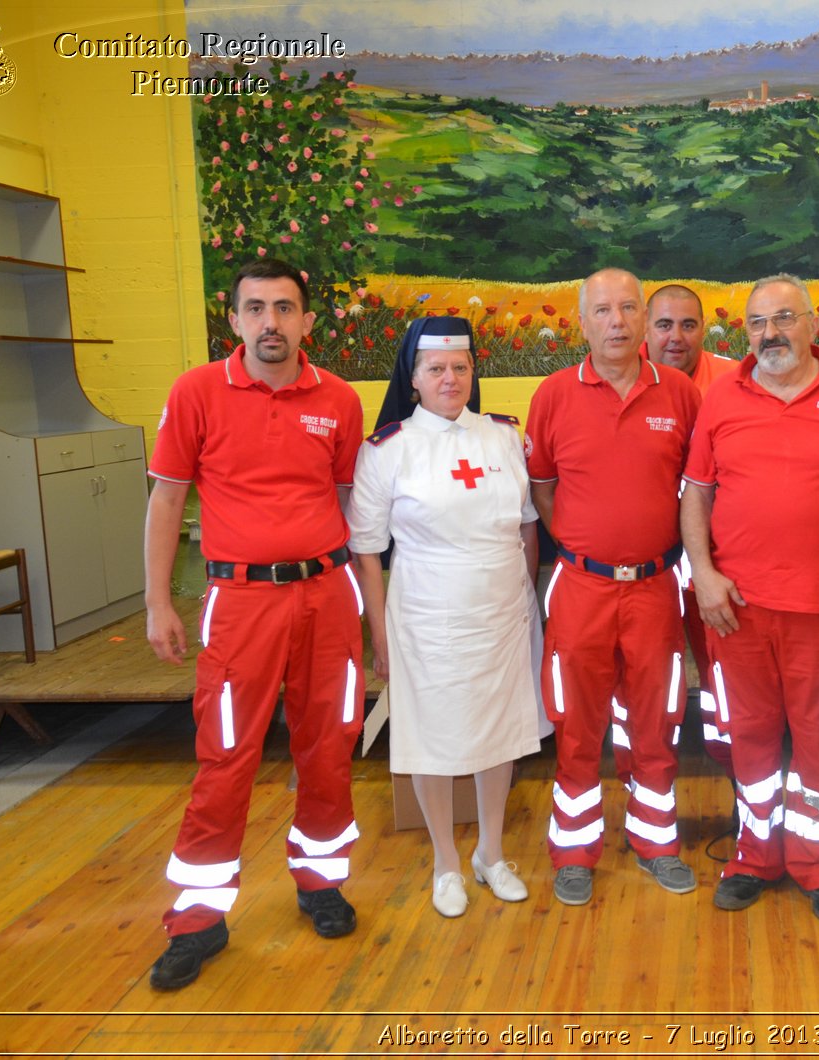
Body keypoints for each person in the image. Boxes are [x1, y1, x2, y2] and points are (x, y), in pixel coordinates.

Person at [143, 259, 365, 990]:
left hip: (327, 597)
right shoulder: (197, 392)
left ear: (307, 320)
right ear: (234, 318)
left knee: (329, 744)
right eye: (256, 308)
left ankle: (320, 881)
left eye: (286, 308)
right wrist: (156, 602)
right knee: (227, 754)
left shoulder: (338, 399)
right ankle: (199, 918)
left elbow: (346, 503)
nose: (271, 321)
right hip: (239, 605)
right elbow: (166, 502)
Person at [680, 273, 819, 925]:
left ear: (813, 324)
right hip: (735, 608)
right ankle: (754, 857)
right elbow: (695, 494)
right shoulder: (721, 398)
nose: (771, 333)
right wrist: (705, 575)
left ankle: (818, 865)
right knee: (750, 739)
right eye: (757, 323)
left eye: (784, 319)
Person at [347, 317, 541, 918]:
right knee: (431, 735)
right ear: (413, 377)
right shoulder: (388, 451)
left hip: (504, 610)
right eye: (435, 368)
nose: (449, 379)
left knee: (501, 731)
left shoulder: (505, 438)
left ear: (473, 372)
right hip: (425, 614)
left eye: (460, 367)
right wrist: (379, 634)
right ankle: (446, 863)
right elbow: (366, 551)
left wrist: (526, 598)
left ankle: (490, 851)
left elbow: (528, 524)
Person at [525, 268, 702, 906]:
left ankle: (656, 843)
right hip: (581, 589)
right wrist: (583, 544)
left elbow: (698, 490)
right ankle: (574, 853)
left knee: (655, 723)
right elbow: (541, 487)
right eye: (603, 311)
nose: (618, 322)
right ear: (582, 322)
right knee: (576, 725)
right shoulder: (552, 395)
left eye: (629, 308)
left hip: (657, 588)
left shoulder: (680, 393)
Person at [642, 283, 737, 779]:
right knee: (646, 678)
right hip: (642, 559)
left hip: (715, 554)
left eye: (688, 325)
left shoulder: (734, 380)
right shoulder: (619, 377)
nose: (675, 337)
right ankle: (645, 779)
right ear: (644, 328)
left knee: (725, 668)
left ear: (705, 329)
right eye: (663, 324)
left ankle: (738, 767)